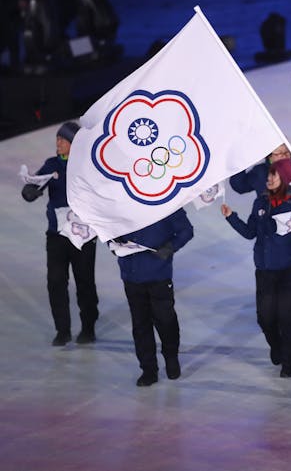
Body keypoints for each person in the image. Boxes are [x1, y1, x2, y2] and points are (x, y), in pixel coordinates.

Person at [222, 158, 291, 378]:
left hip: (290, 270)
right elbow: (250, 232)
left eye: (274, 175)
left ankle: (288, 364)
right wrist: (231, 217)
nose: (269, 179)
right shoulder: (260, 203)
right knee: (265, 318)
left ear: (285, 177)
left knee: (288, 318)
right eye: (268, 175)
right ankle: (276, 346)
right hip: (264, 271)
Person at [229, 143, 291, 329]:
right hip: (270, 235)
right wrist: (241, 161)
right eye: (278, 154)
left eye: (286, 152)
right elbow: (239, 186)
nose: (284, 157)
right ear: (268, 157)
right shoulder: (260, 172)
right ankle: (275, 313)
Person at [21, 121, 99, 346]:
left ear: (75, 144)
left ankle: (88, 327)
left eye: (64, 139)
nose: (58, 142)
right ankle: (62, 330)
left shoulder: (87, 166)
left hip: (83, 236)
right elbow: (34, 186)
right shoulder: (51, 164)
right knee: (55, 282)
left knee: (85, 282)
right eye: (58, 138)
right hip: (56, 235)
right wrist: (29, 192)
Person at [114, 209, 193, 387]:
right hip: (131, 275)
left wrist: (170, 247)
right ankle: (148, 369)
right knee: (140, 325)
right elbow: (109, 229)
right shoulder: (122, 200)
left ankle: (171, 357)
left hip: (159, 275)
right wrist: (113, 244)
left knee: (165, 320)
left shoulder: (166, 201)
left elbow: (186, 230)